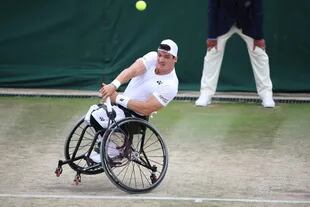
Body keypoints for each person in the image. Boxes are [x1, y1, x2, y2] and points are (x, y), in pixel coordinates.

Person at [84, 39, 179, 162]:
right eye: (160, 55)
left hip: (135, 118)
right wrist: (113, 86)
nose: (161, 59)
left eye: (167, 57)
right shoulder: (151, 57)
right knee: (90, 114)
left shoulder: (171, 85)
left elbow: (146, 108)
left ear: (175, 59)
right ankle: (105, 146)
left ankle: (111, 150)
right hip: (121, 108)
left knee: (95, 117)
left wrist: (117, 98)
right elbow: (131, 71)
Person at [195, 0, 275, 108]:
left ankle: (266, 94)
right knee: (212, 52)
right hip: (222, 23)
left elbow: (257, 9)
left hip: (248, 23)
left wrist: (259, 37)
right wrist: (211, 36)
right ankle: (205, 94)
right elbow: (212, 8)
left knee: (259, 53)